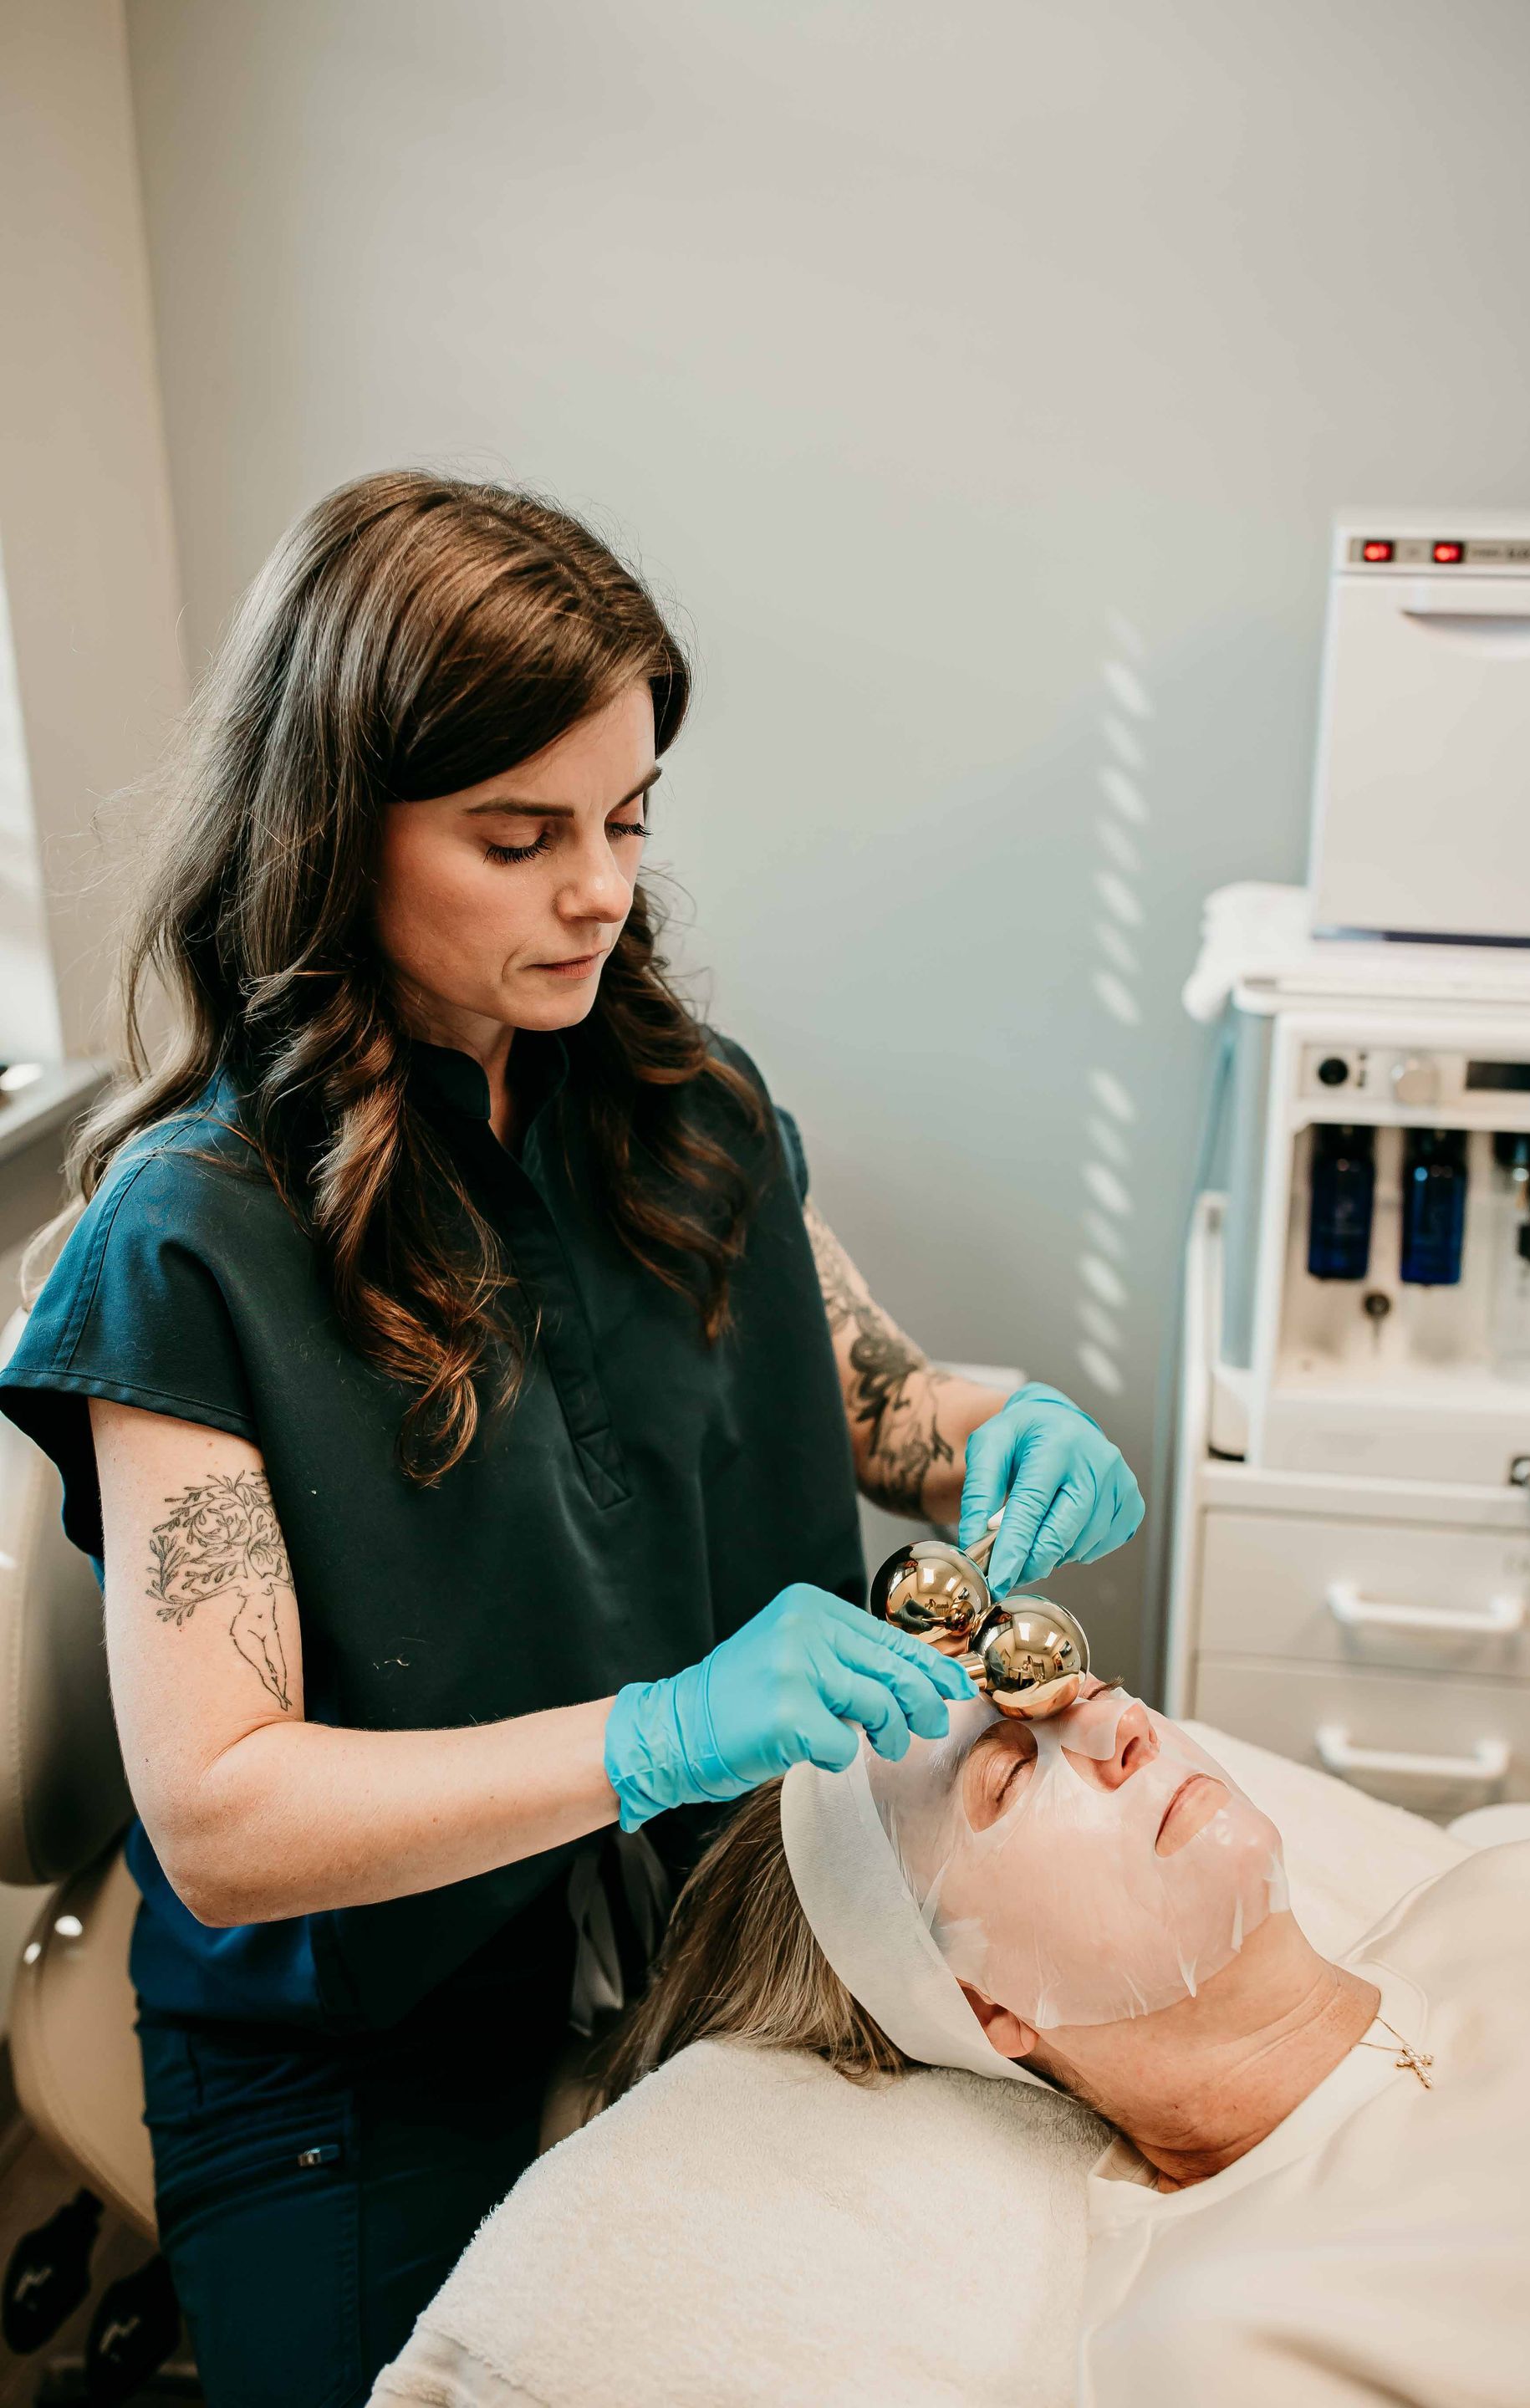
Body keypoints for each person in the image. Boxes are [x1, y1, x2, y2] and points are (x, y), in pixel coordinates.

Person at [0, 471, 1142, 2408]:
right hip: (362, 2040)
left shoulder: (681, 1114)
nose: (601, 890)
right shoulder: (191, 1244)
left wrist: (1013, 1427)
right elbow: (225, 1819)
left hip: (736, 1920)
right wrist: (656, 1731)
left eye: (626, 820)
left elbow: (879, 1405)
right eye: (518, 836)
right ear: (330, 832)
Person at [602, 1681, 1530, 2407]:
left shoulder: (1518, 1883)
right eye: (1009, 1776)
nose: (1120, 1726)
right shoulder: (1229, 2335)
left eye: (1082, 1685)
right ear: (984, 2004)